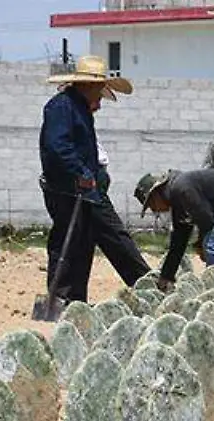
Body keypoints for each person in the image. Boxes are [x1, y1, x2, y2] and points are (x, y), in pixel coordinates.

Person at [40, 55, 150, 303]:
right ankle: (61, 300)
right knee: (79, 242)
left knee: (85, 244)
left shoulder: (79, 108)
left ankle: (75, 300)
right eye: (99, 92)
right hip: (69, 190)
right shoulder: (62, 107)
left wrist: (95, 175)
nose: (100, 99)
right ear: (88, 85)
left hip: (86, 190)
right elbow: (57, 147)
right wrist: (81, 173)